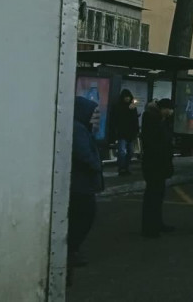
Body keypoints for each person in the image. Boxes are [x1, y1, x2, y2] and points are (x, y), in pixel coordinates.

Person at [68, 96, 104, 267]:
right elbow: (83, 154)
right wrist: (96, 165)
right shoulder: (78, 129)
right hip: (80, 184)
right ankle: (71, 250)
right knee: (84, 217)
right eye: (93, 113)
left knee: (81, 217)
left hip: (80, 183)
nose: (95, 118)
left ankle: (72, 250)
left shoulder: (80, 128)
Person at [140, 99, 175, 238]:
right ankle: (149, 228)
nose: (172, 112)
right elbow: (155, 143)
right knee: (152, 197)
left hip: (160, 164)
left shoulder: (161, 120)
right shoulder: (152, 120)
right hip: (154, 164)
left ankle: (157, 224)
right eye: (170, 109)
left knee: (158, 196)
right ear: (164, 109)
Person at [111, 89, 140, 176]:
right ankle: (122, 168)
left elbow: (135, 120)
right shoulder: (119, 106)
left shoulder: (133, 107)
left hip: (130, 133)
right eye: (126, 97)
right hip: (122, 132)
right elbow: (119, 118)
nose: (127, 98)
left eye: (128, 97)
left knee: (130, 152)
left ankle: (126, 167)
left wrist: (136, 131)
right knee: (122, 152)